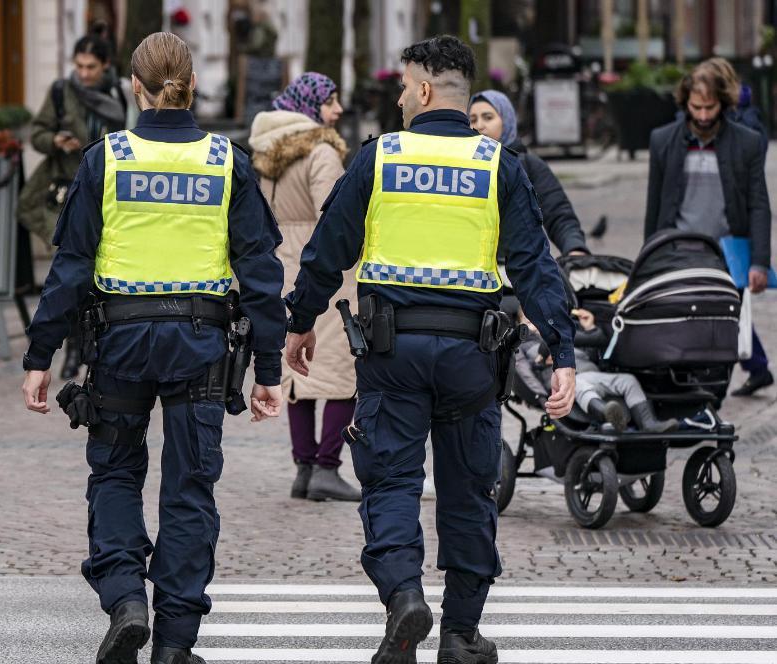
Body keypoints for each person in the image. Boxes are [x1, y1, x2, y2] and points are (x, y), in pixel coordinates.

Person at [284, 36, 576, 664]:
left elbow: (329, 247)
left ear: (421, 91)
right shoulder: (497, 164)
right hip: (473, 354)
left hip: (393, 351)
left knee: (390, 481)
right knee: (469, 491)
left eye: (402, 86)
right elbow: (534, 265)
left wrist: (300, 320)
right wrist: (563, 349)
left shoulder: (379, 156)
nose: (396, 97)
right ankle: (461, 634)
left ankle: (403, 597)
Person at [21, 32, 285, 664]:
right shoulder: (226, 160)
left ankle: (125, 601)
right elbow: (260, 270)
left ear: (134, 89)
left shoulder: (105, 158)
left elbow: (71, 266)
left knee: (114, 472)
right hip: (200, 342)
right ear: (192, 86)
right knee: (190, 489)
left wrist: (39, 356)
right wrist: (270, 367)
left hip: (120, 340)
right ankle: (173, 644)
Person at [249, 72, 359, 502]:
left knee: (297, 369)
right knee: (339, 369)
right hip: (321, 266)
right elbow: (334, 216)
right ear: (312, 105)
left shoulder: (262, 150)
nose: (337, 111)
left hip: (280, 262)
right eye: (331, 102)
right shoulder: (322, 150)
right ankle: (327, 467)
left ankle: (303, 467)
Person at [646, 63, 772, 397]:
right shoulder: (662, 141)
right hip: (678, 252)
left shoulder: (747, 143)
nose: (702, 115)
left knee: (725, 334)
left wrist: (759, 262)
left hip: (728, 255)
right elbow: (654, 207)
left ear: (724, 103)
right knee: (684, 331)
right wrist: (649, 259)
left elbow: (759, 204)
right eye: (696, 107)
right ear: (685, 102)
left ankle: (712, 399)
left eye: (710, 107)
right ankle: (691, 399)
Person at [19, 33, 129, 381]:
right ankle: (70, 350)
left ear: (106, 66)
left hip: (107, 193)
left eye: (91, 67)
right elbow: (36, 133)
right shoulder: (60, 92)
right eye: (79, 66)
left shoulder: (122, 94)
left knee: (99, 275)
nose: (83, 73)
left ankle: (92, 345)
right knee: (69, 276)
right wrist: (54, 140)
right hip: (65, 192)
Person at [515, 308, 678, 433]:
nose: (536, 325)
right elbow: (523, 371)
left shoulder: (564, 334)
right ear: (519, 324)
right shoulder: (526, 346)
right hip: (563, 380)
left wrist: (590, 328)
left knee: (628, 380)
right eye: (529, 321)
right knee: (576, 383)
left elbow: (591, 356)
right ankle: (606, 413)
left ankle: (649, 424)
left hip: (590, 373)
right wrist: (540, 365)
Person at [468, 89, 589, 257]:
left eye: (488, 117)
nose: (479, 125)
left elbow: (558, 212)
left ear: (507, 121)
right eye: (472, 119)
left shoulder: (528, 165)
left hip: (520, 269)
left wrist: (575, 248)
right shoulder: (462, 166)